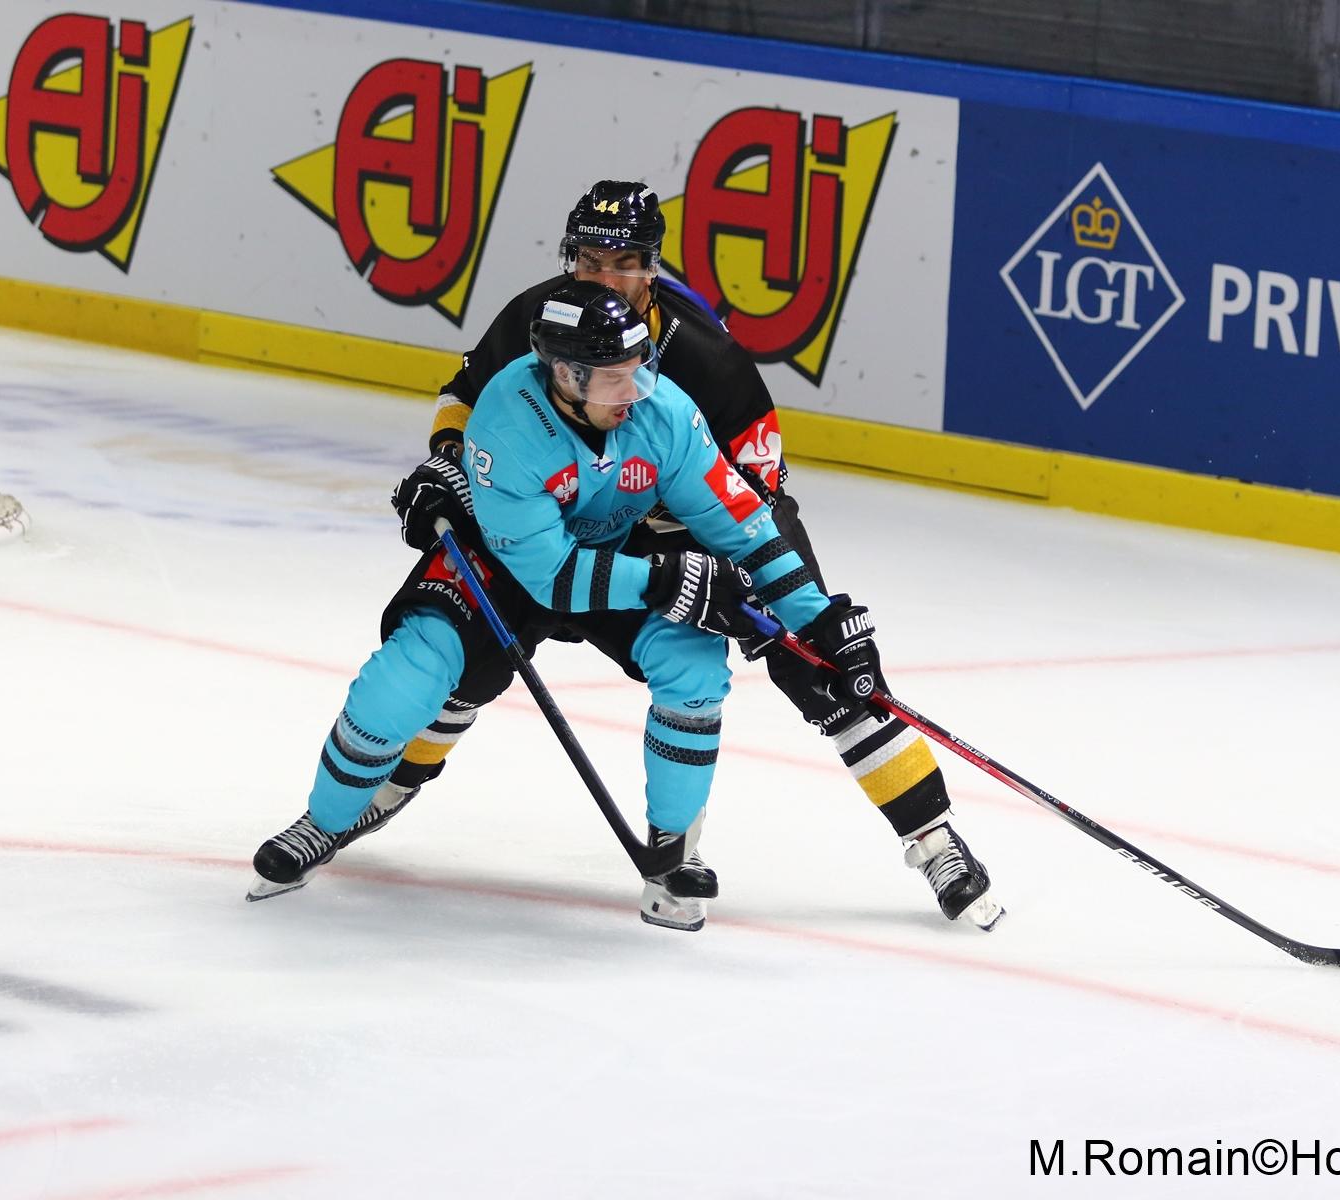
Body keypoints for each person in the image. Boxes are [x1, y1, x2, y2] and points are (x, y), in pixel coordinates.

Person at [352, 180, 999, 930]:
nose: (603, 279)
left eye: (623, 262)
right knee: (480, 633)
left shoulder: (707, 358)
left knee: (818, 659)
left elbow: (752, 500)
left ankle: (934, 839)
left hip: (700, 520)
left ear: (653, 268)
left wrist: (765, 598)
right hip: (571, 515)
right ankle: (393, 783)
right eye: (588, 260)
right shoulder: (541, 315)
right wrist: (451, 465)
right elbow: (464, 396)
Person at [248, 282, 869, 931]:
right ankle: (323, 822)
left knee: (694, 665)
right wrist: (665, 580)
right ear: (566, 376)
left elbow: (743, 524)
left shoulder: (661, 410)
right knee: (410, 672)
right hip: (509, 563)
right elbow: (549, 576)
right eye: (612, 380)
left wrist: (815, 618)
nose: (633, 393)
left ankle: (673, 854)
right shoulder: (508, 420)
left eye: (638, 371)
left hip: (617, 552)